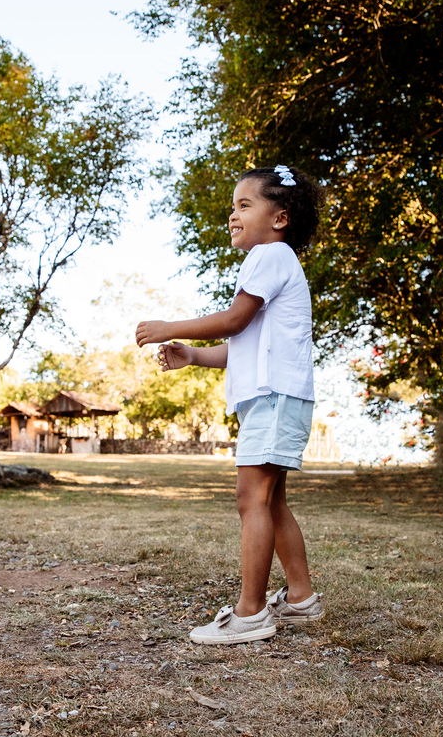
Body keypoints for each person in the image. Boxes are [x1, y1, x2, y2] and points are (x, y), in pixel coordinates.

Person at [135, 165, 325, 645]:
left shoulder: (270, 255)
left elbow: (236, 319)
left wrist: (168, 326)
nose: (232, 215)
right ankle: (301, 598)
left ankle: (250, 614)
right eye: (232, 207)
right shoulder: (277, 261)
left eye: (245, 205)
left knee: (251, 500)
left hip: (274, 400)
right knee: (270, 500)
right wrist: (192, 355)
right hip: (277, 398)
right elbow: (239, 345)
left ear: (279, 218)